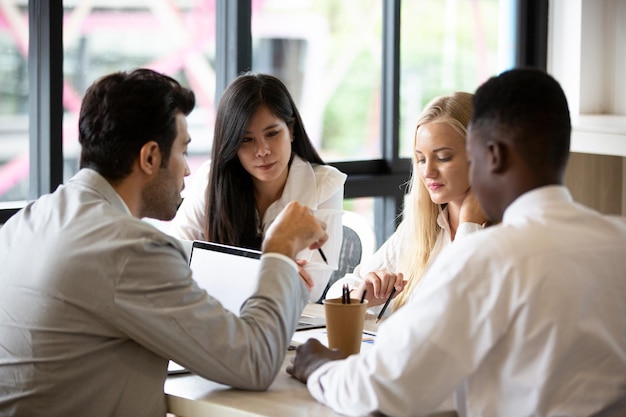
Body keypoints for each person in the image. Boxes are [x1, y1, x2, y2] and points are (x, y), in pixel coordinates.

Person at [287, 68, 626, 417]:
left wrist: (319, 368)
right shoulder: (619, 240)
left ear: (492, 156)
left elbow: (382, 390)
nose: (429, 171)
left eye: (465, 158)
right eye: (420, 159)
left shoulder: (486, 257)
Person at [0, 69, 328, 417]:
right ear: (151, 157)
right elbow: (255, 363)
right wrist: (278, 251)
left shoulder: (23, 224)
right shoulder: (130, 249)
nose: (187, 171)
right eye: (184, 152)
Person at [169, 72, 346, 303]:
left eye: (272, 134)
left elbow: (308, 289)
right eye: (246, 139)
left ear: (291, 130)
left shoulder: (325, 184)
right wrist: (278, 268)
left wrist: (219, 269)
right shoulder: (211, 178)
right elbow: (175, 261)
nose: (262, 150)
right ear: (231, 143)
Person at [325, 92, 486, 317]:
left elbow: (459, 314)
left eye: (442, 157)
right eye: (421, 159)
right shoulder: (421, 229)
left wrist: (469, 226)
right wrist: (362, 296)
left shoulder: (507, 233)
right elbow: (334, 295)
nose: (427, 172)